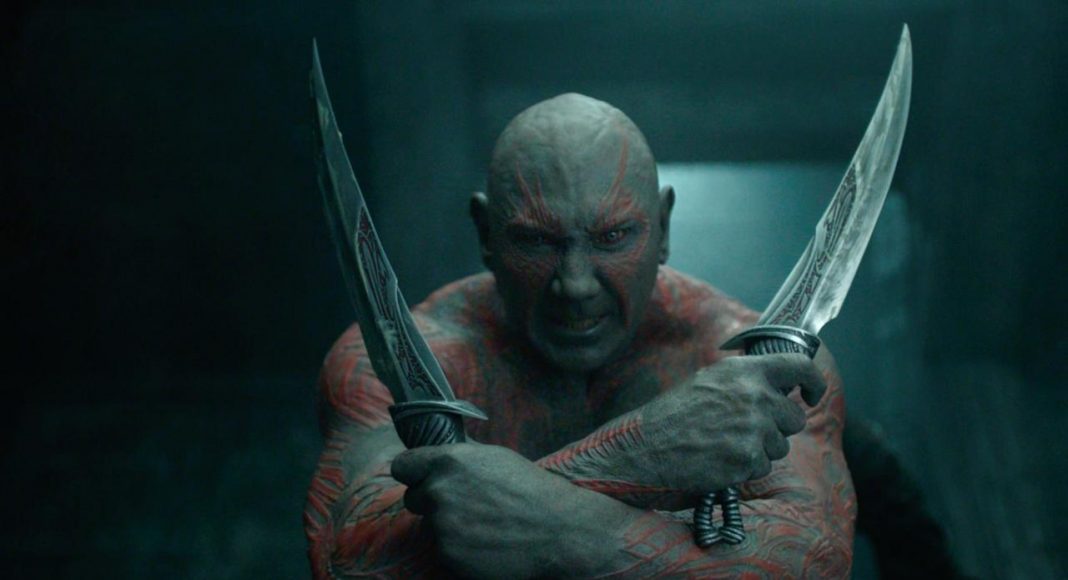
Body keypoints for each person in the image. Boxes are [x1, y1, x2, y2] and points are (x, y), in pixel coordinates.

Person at [304, 93, 855, 578]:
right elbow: (349, 564)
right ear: (486, 234)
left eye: (613, 237)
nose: (574, 285)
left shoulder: (758, 366)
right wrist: (640, 453)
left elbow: (813, 560)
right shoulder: (390, 363)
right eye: (536, 241)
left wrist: (554, 527)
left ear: (663, 228)